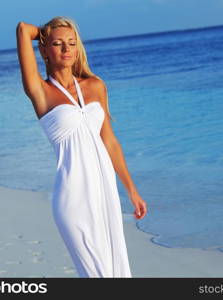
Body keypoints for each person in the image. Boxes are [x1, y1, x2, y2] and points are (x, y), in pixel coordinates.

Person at [15, 16, 147, 278]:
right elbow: (22, 29)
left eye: (72, 43)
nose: (66, 49)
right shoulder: (40, 91)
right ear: (43, 50)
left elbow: (109, 141)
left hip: (105, 192)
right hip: (72, 197)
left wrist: (132, 190)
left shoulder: (95, 86)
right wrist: (45, 33)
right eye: (58, 44)